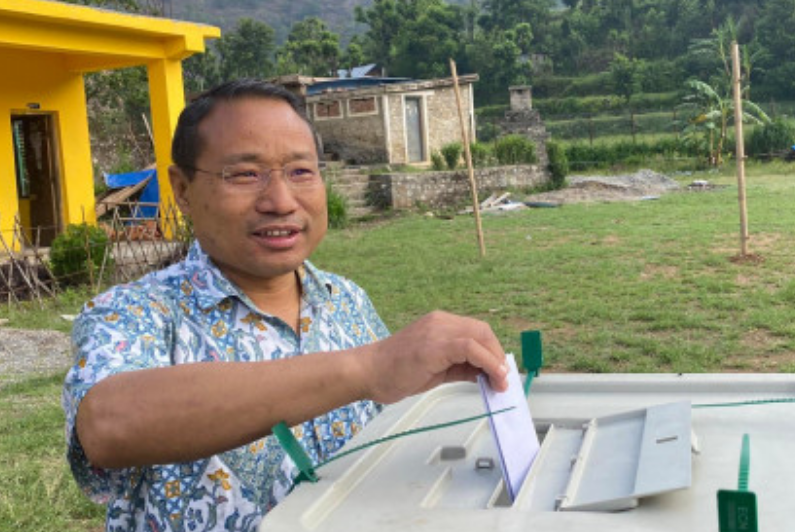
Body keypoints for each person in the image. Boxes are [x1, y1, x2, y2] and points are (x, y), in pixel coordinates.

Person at [62, 79, 509, 532]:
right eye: (244, 174)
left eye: (300, 172)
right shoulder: (134, 312)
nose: (280, 201)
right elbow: (108, 425)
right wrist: (365, 369)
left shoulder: (346, 299)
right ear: (182, 189)